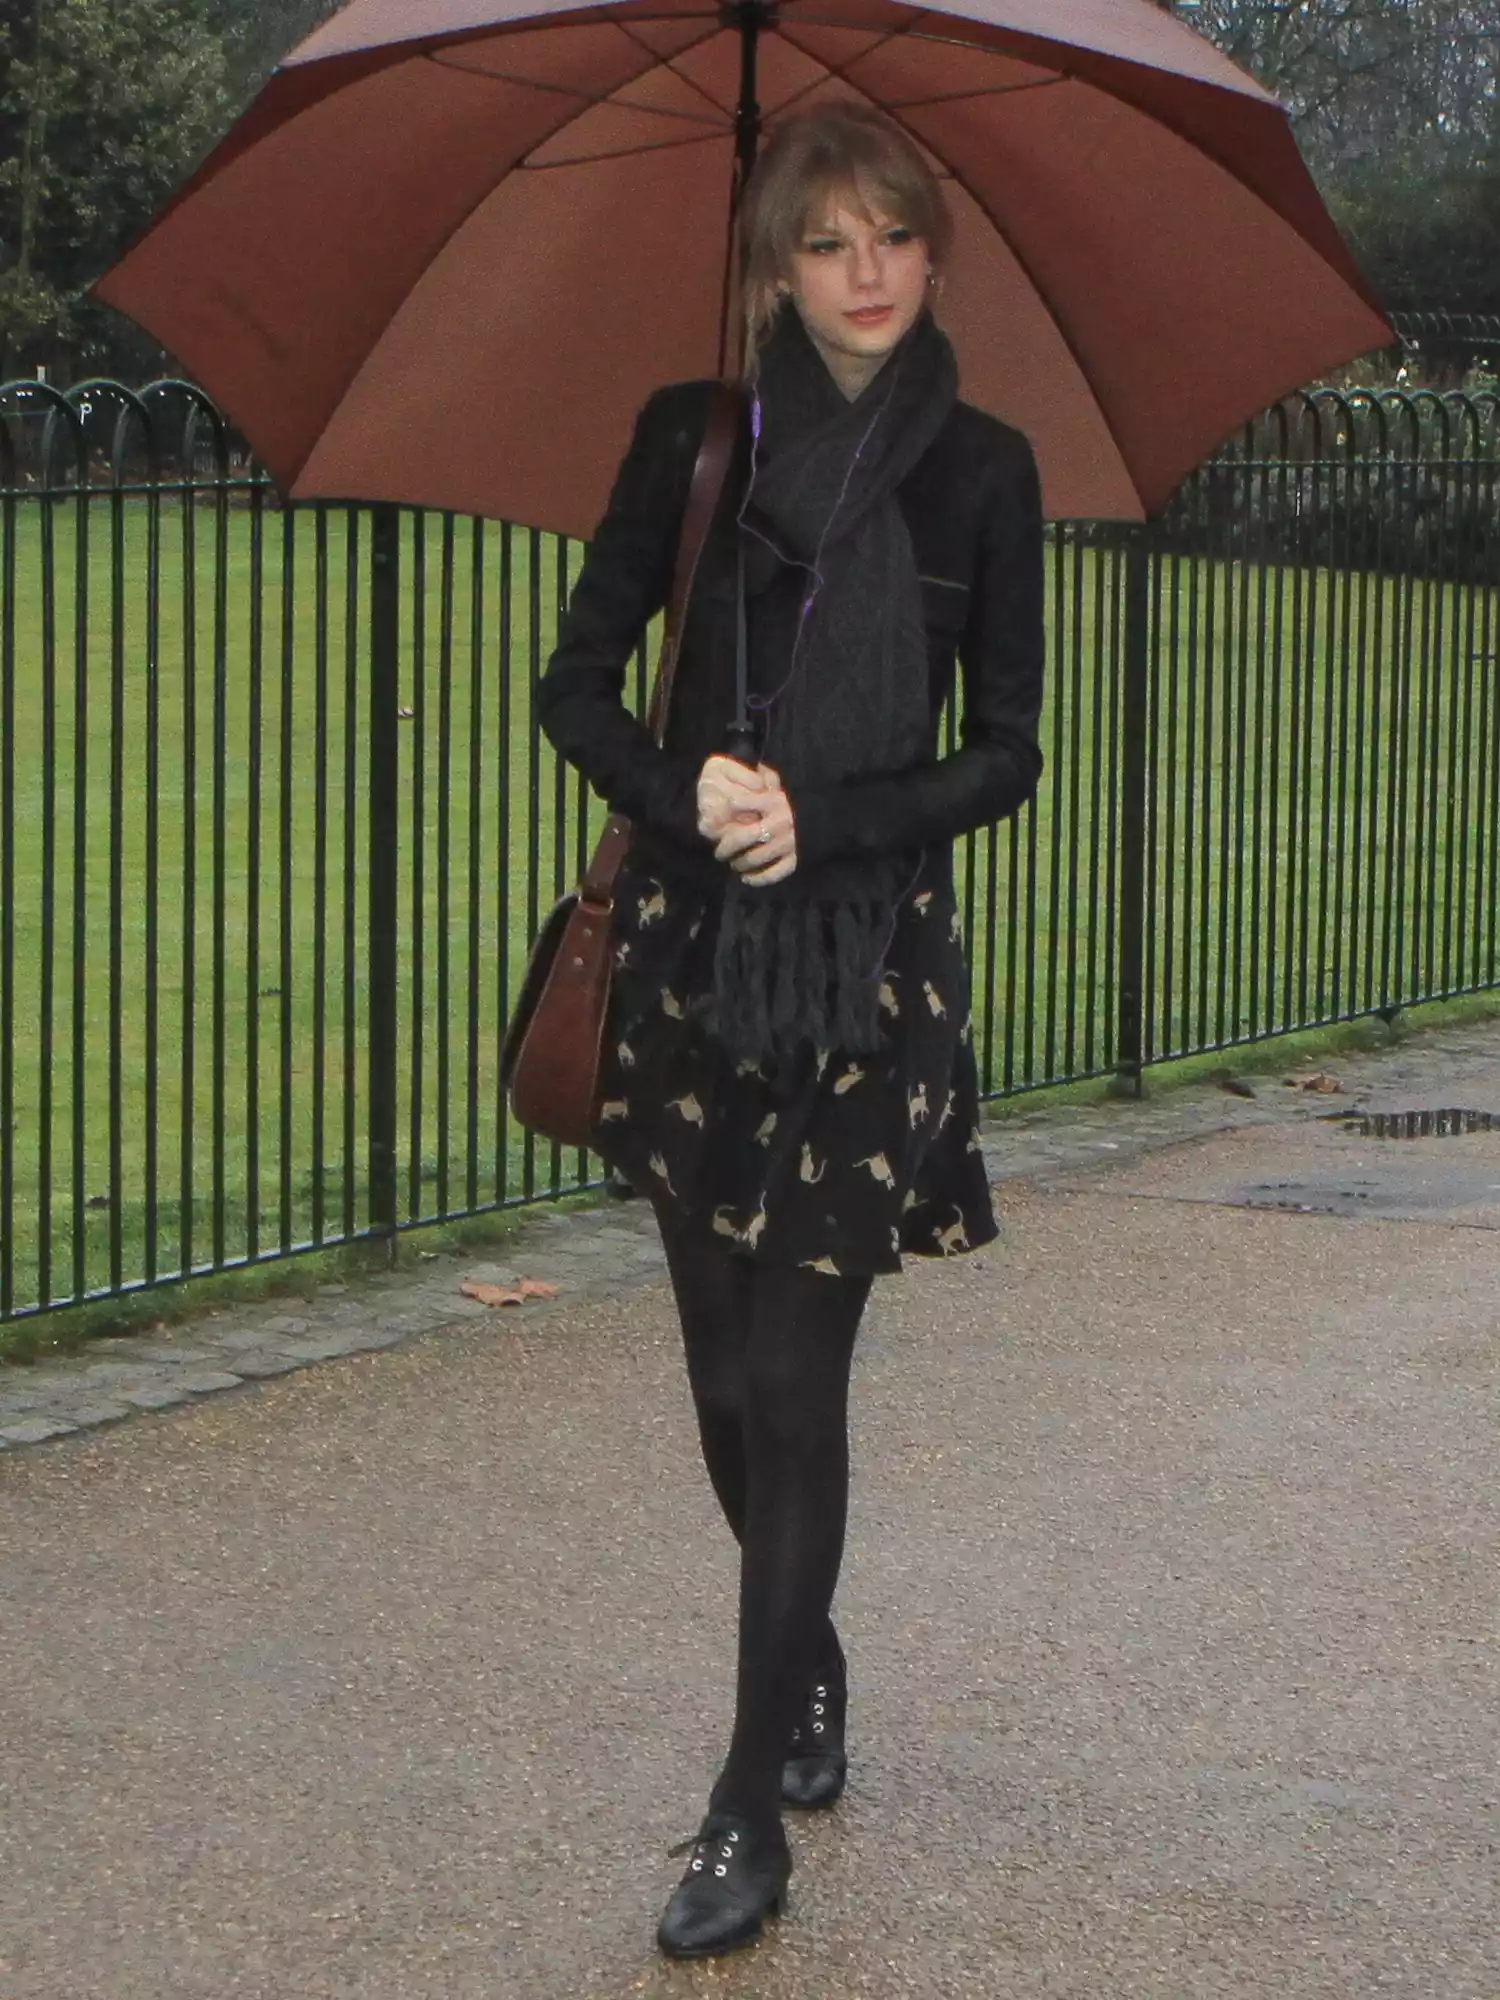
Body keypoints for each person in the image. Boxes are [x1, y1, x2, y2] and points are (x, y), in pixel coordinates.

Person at [537, 101, 1045, 1960]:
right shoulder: (695, 443)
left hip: (867, 973)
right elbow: (575, 686)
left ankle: (743, 1803)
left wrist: (828, 819)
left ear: (933, 251)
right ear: (774, 261)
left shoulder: (983, 471)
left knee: (796, 1380)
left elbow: (1007, 751)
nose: (862, 277)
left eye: (891, 240)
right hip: (694, 961)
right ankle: (805, 1656)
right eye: (824, 243)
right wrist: (697, 796)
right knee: (718, 1388)